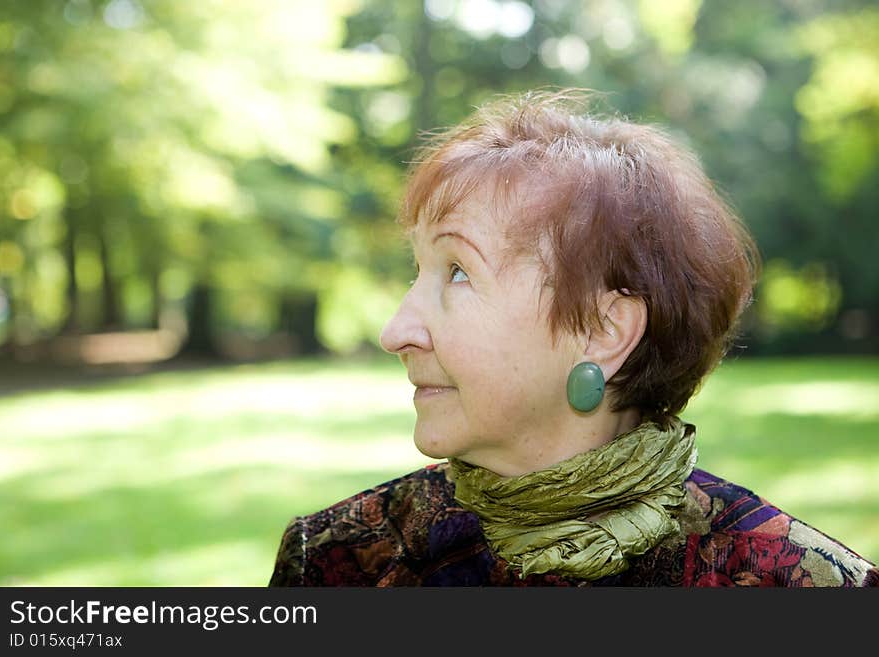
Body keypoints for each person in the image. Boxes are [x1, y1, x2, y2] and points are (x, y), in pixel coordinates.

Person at [269, 90, 878, 587]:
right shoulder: (334, 562)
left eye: (458, 271)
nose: (394, 331)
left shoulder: (801, 587)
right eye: (418, 270)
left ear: (603, 331)